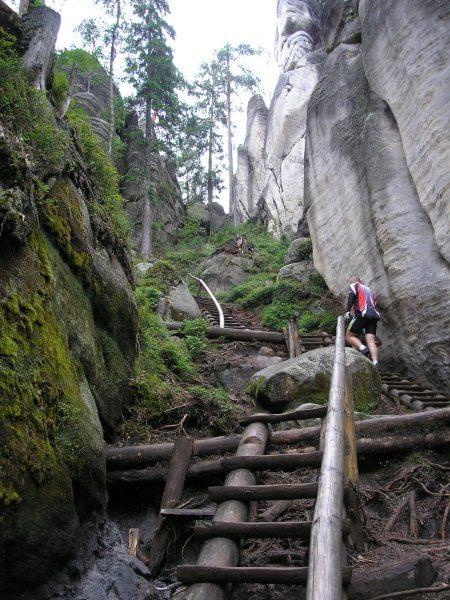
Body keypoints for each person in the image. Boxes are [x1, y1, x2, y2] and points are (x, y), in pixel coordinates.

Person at [344, 276, 380, 368]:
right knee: (371, 340)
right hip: (374, 316)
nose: (349, 283)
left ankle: (363, 348)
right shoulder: (369, 290)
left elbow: (351, 297)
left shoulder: (355, 285)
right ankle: (375, 361)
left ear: (354, 281)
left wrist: (348, 311)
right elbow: (375, 303)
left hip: (362, 314)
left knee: (349, 336)